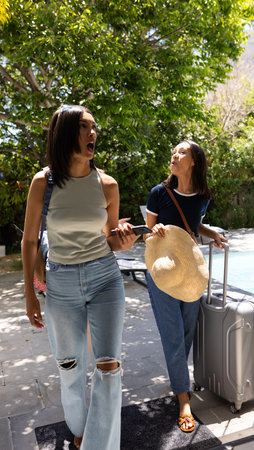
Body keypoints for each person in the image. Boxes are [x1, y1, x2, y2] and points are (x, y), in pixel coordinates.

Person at [22, 105, 139, 450]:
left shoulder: (107, 185)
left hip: (104, 277)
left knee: (108, 368)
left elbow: (110, 240)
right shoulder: (43, 183)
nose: (93, 134)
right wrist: (29, 294)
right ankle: (79, 428)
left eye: (94, 128)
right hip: (60, 284)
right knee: (70, 367)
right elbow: (29, 240)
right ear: (65, 133)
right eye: (85, 127)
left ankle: (97, 445)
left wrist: (124, 238)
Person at [144, 140, 228, 432]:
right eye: (173, 152)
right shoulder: (159, 193)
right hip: (162, 274)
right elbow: (146, 236)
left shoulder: (202, 196)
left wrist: (211, 233)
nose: (174, 156)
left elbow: (193, 226)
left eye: (181, 152)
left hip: (191, 272)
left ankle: (180, 381)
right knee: (173, 336)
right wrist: (153, 232)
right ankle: (184, 399)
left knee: (187, 331)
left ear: (194, 161)